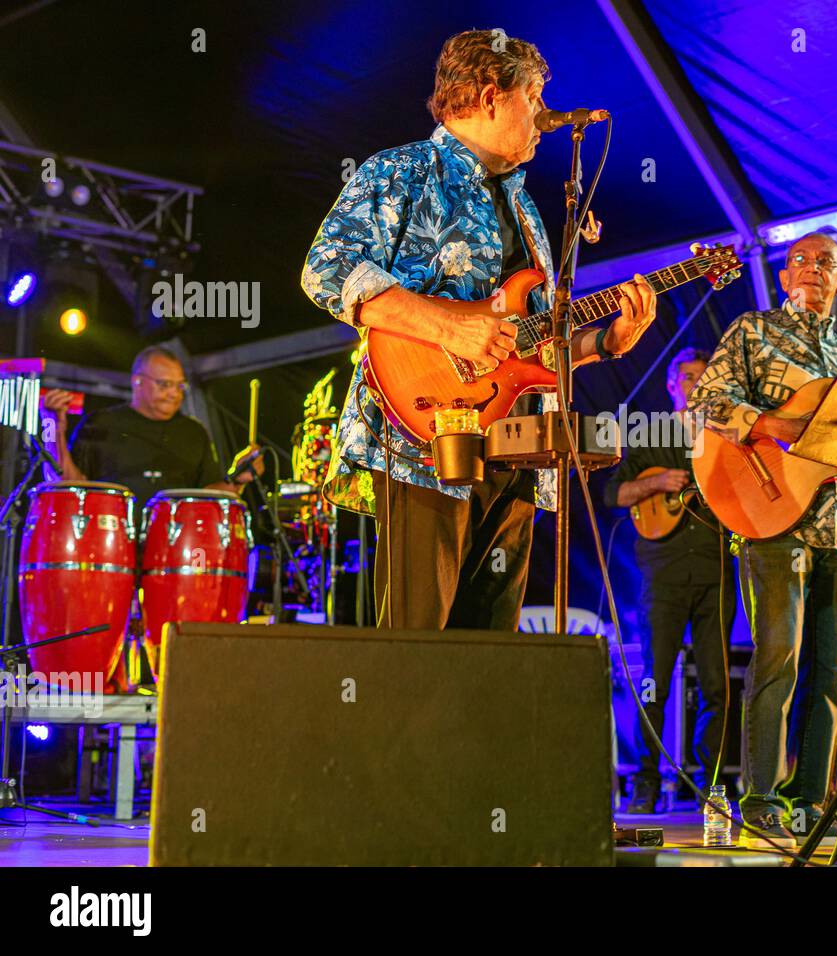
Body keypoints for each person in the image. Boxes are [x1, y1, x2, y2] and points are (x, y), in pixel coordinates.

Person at [300, 29, 656, 631]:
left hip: (517, 451)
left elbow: (529, 347)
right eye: (534, 97)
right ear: (491, 97)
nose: (544, 114)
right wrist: (450, 328)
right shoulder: (402, 171)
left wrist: (604, 343)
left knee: (491, 652)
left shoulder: (526, 209)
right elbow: (325, 270)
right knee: (417, 643)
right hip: (424, 439)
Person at [687, 230, 837, 848]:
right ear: (785, 276)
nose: (811, 268)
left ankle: (811, 799)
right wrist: (774, 425)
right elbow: (706, 401)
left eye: (826, 262)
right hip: (771, 515)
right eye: (799, 260)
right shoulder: (753, 331)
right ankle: (761, 798)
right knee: (778, 657)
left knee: (833, 667)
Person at [603, 348, 734, 814]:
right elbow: (614, 493)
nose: (697, 385)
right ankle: (645, 783)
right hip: (663, 574)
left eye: (704, 377)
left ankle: (709, 787)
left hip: (717, 572)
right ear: (672, 385)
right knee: (654, 681)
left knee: (716, 684)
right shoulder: (651, 436)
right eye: (689, 377)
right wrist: (656, 484)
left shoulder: (724, 439)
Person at [44, 345, 260, 513]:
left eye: (180, 386)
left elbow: (207, 497)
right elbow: (65, 484)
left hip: (175, 550)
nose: (174, 394)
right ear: (137, 381)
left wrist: (237, 479)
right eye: (164, 384)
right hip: (109, 546)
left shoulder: (194, 432)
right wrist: (52, 428)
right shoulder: (100, 423)